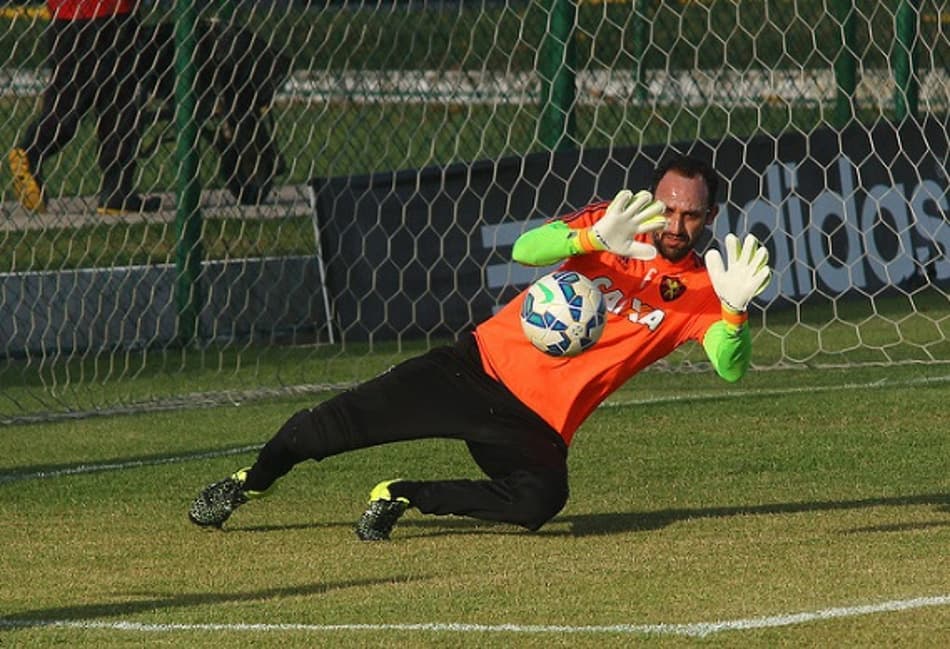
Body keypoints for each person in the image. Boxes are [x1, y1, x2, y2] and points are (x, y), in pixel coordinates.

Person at [189, 154, 772, 540]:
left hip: (537, 423)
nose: (674, 224)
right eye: (668, 208)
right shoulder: (614, 228)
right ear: (653, 200)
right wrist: (590, 236)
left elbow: (729, 367)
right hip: (473, 370)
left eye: (690, 215)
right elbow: (528, 250)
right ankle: (248, 483)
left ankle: (402, 495)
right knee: (324, 430)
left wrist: (736, 310)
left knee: (539, 501)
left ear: (710, 217)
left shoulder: (706, 290)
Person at [7, 0, 160, 215]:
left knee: (72, 99)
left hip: (66, 18)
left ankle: (116, 191)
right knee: (120, 102)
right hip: (111, 14)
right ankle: (33, 150)